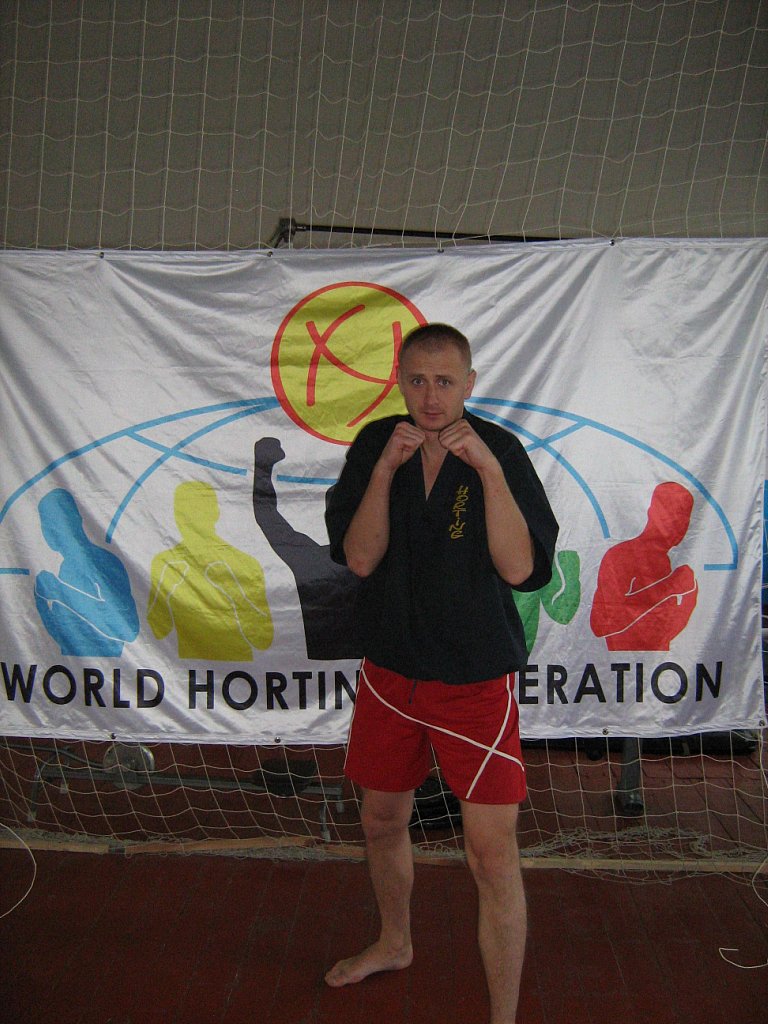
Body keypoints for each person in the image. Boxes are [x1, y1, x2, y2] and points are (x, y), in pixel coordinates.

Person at [324, 323, 558, 1024]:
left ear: (469, 384)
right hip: (392, 671)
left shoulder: (501, 451)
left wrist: (488, 472)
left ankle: (503, 1016)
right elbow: (358, 558)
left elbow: (521, 569)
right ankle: (395, 941)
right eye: (418, 381)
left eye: (446, 381)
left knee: (490, 854)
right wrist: (385, 473)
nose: (431, 397)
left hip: (474, 678)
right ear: (400, 382)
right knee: (380, 819)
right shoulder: (377, 444)